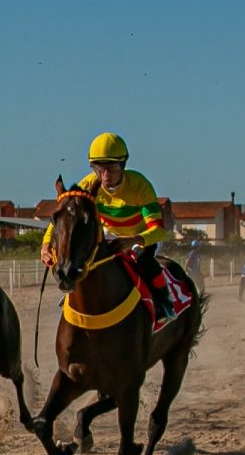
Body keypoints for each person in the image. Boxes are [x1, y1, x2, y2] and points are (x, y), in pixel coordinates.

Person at [40, 132, 176, 322]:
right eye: (98, 168)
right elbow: (62, 217)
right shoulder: (87, 185)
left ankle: (164, 302)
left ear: (123, 165)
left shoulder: (140, 185)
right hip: (108, 234)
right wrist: (46, 244)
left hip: (140, 236)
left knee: (145, 261)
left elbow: (158, 230)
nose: (105, 175)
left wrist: (132, 240)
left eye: (111, 168)